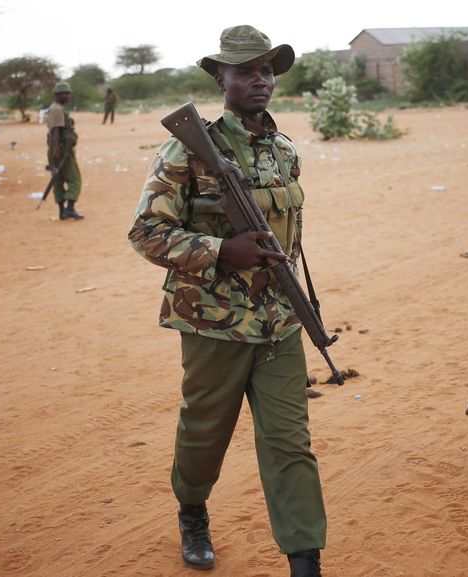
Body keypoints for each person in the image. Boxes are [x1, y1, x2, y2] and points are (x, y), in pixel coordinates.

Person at [128, 25, 325, 575]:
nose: (259, 80)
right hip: (215, 323)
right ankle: (192, 511)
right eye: (245, 71)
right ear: (221, 78)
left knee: (291, 443)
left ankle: (304, 558)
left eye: (266, 70)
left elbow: (289, 240)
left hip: (280, 322)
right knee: (204, 432)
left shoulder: (284, 150)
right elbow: (145, 232)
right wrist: (222, 250)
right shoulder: (188, 146)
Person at [46, 81, 84, 220]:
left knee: (58, 179)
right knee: (74, 179)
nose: (68, 96)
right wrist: (58, 151)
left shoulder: (57, 108)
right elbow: (56, 131)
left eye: (69, 93)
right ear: (57, 94)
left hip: (58, 149)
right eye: (65, 93)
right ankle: (70, 209)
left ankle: (62, 211)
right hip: (61, 150)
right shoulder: (56, 109)